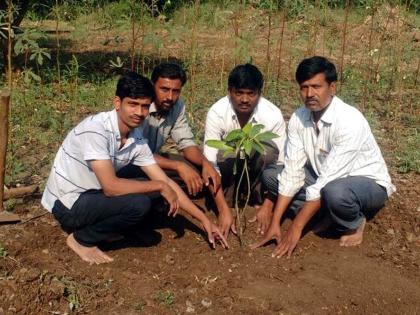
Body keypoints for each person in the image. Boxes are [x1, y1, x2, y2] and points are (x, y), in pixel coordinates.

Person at [41, 72, 228, 265]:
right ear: (117, 103)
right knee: (140, 203)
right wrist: (161, 187)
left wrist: (203, 220)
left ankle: (112, 225)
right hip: (67, 204)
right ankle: (82, 239)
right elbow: (111, 187)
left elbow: (165, 181)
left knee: (153, 187)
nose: (139, 112)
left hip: (91, 194)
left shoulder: (135, 136)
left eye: (145, 106)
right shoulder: (96, 130)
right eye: (133, 104)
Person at [252, 56, 395, 257]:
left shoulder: (349, 120)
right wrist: (275, 223)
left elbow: (328, 181)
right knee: (272, 176)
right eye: (304, 87)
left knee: (335, 193)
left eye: (316, 87)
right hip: (323, 179)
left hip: (365, 185)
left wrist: (295, 228)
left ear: (332, 87)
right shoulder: (298, 118)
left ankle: (354, 222)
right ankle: (327, 213)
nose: (310, 94)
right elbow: (292, 171)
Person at [204, 63, 287, 238]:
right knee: (224, 153)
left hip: (257, 167)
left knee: (269, 151)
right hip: (229, 166)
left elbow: (281, 164)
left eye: (251, 94)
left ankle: (256, 197)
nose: (244, 99)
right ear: (229, 91)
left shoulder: (272, 114)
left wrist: (268, 206)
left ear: (259, 93)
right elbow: (210, 164)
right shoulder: (217, 112)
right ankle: (228, 197)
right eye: (239, 93)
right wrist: (222, 210)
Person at [137, 62, 221, 199]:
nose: (170, 97)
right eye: (164, 89)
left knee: (197, 170)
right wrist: (178, 166)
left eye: (175, 91)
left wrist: (207, 164)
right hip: (132, 163)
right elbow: (137, 153)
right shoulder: (140, 108)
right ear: (153, 86)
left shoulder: (176, 106)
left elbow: (186, 143)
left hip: (154, 160)